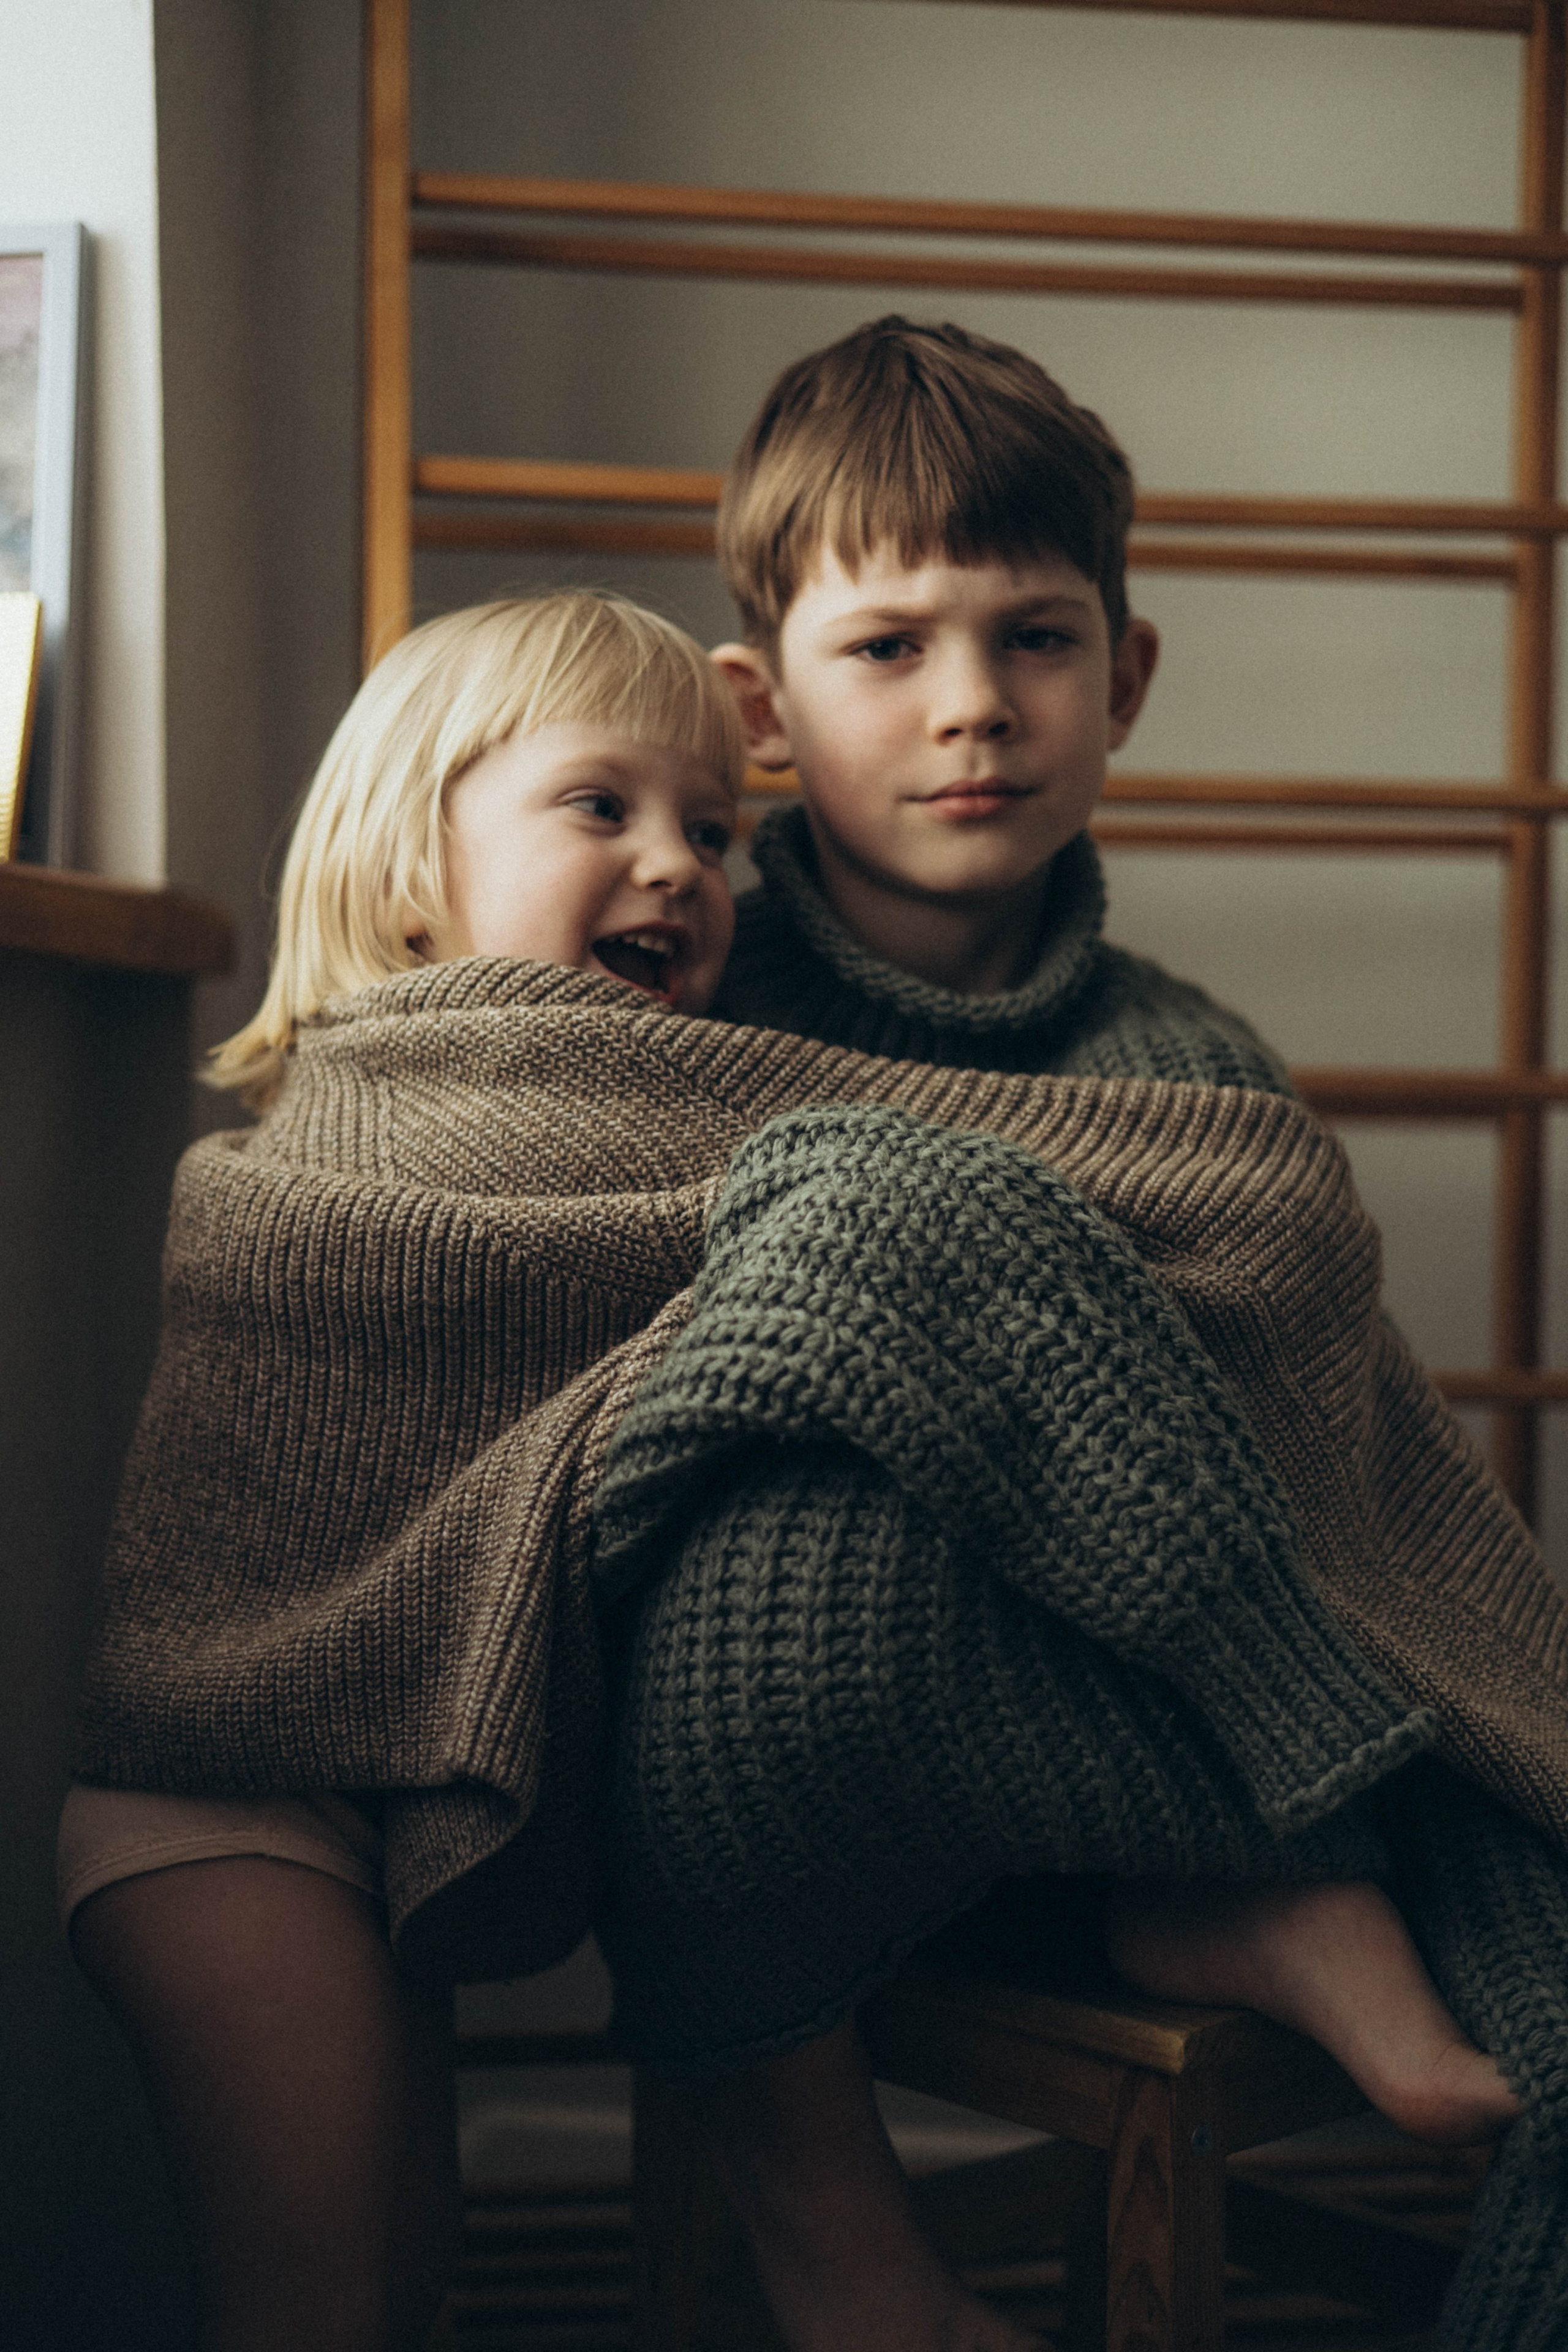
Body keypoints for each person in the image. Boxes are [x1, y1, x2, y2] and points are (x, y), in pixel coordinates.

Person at [618, 316, 1520, 2352]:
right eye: (890, 650)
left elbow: (1325, 1466)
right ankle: (850, 2257)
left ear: (1124, 678)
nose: (973, 710)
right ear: (760, 706)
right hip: (768, 1728)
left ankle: (1225, 1881)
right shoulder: (683, 985)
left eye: (1035, 641)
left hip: (1134, 1698)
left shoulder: (1190, 1068)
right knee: (750, 1606)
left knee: (1307, 1609)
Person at [61, 589, 745, 2352]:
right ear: (408, 870)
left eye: (715, 828)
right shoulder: (338, 1158)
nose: (677, 863)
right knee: (309, 2304)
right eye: (604, 807)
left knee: (408, 2272)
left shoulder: (663, 1128)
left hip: (382, 1801)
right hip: (227, 1816)